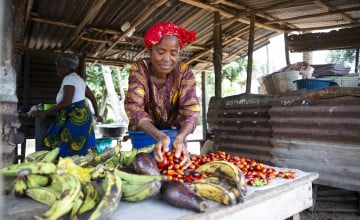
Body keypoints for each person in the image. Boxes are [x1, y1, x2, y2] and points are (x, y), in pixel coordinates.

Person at [125, 22, 200, 168]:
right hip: (144, 136)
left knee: (175, 171)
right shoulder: (139, 69)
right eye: (161, 52)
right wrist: (158, 135)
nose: (167, 58)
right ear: (150, 50)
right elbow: (134, 108)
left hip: (174, 136)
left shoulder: (184, 72)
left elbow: (191, 110)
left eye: (173, 53)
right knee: (145, 170)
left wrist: (180, 138)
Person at [29, 52, 103, 157]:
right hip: (84, 116)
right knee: (82, 149)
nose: (57, 70)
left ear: (64, 66)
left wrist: (44, 112)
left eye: (58, 67)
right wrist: (97, 113)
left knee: (67, 148)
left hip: (75, 118)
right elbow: (92, 97)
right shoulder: (78, 79)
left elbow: (66, 102)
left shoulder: (69, 79)